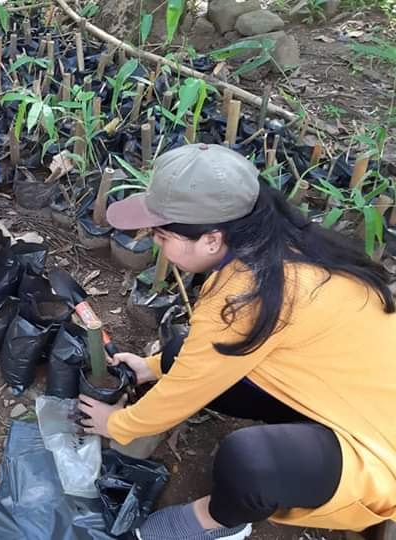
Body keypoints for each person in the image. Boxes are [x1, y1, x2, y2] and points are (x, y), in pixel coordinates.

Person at [77, 144, 396, 540]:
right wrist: (153, 367)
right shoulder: (274, 245)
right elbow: (201, 360)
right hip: (338, 397)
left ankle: (220, 522)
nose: (156, 243)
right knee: (179, 354)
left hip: (378, 449)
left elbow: (187, 388)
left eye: (161, 234)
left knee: (249, 462)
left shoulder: (243, 293)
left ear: (211, 240)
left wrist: (119, 425)